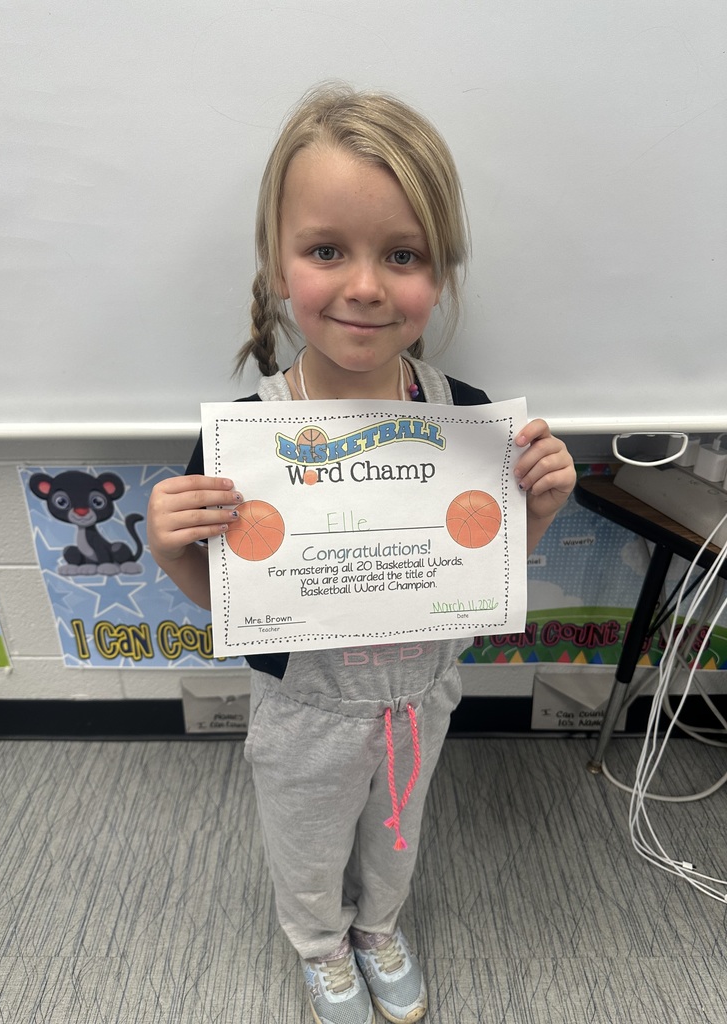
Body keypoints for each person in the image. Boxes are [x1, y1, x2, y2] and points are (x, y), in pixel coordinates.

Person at [148, 84, 576, 1024]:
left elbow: (483, 579)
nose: (368, 285)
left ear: (442, 271)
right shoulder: (244, 443)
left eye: (404, 254)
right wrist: (171, 543)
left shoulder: (463, 420)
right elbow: (224, 608)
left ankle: (379, 927)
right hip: (304, 708)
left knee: (398, 833)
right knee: (303, 844)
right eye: (327, 250)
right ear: (277, 262)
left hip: (420, 694)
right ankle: (319, 946)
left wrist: (536, 510)